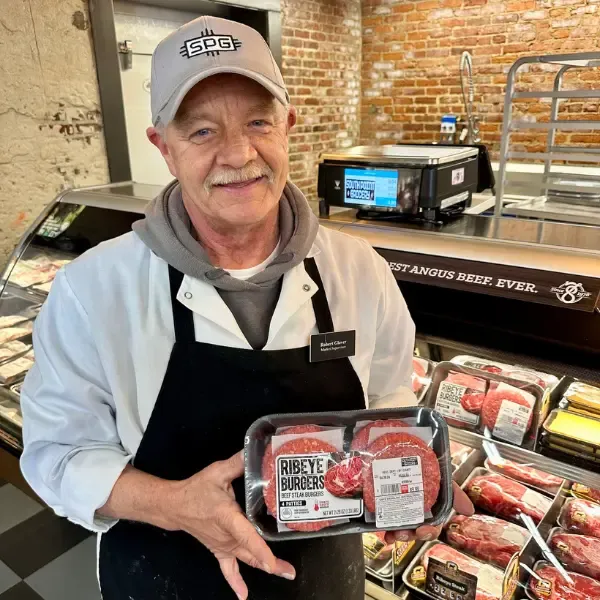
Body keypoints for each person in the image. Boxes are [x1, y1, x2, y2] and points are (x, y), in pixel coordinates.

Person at [20, 15, 472, 600]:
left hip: (325, 577)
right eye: (202, 131)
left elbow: (388, 400)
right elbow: (56, 455)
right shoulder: (94, 288)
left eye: (258, 121)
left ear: (287, 126)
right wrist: (173, 504)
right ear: (164, 146)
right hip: (161, 574)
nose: (238, 154)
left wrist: (407, 469)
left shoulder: (359, 270)